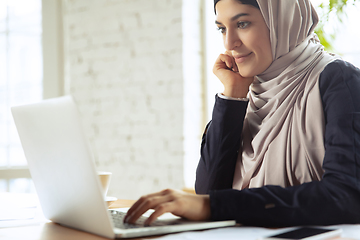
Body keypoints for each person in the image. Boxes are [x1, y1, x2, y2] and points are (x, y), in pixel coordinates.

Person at [124, 0, 360, 227]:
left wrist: (215, 207)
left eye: (242, 24)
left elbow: (347, 196)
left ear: (282, 19)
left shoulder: (339, 80)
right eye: (221, 29)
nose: (229, 43)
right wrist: (233, 95)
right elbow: (208, 191)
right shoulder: (249, 94)